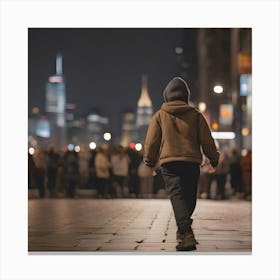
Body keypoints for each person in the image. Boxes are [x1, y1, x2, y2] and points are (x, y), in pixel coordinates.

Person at [144, 77, 220, 251]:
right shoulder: (196, 115)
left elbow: (151, 141)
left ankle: (184, 231)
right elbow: (207, 140)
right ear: (186, 96)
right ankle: (186, 232)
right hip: (191, 162)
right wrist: (213, 158)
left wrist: (149, 161)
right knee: (189, 197)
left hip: (169, 163)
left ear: (167, 96)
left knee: (178, 196)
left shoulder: (160, 115)